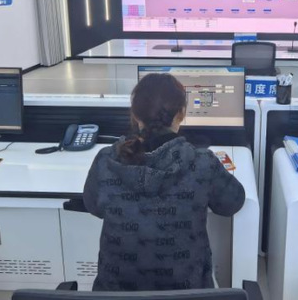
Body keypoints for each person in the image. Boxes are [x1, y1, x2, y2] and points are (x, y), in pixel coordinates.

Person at [83, 73, 246, 291]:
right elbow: (233, 203)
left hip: (116, 295)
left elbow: (93, 206)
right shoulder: (202, 162)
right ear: (182, 113)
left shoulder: (106, 160)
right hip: (188, 293)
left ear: (135, 114)